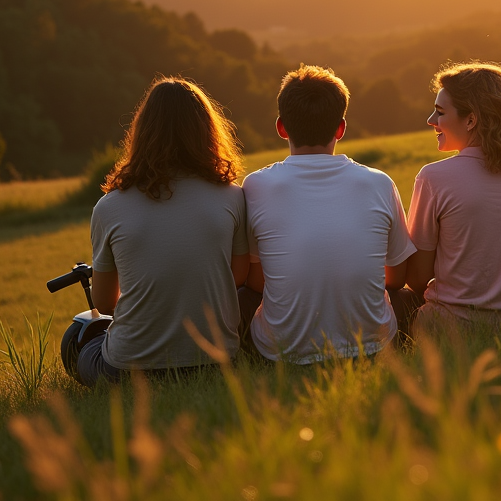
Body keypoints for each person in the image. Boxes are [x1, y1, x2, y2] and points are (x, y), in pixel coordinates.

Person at [239, 65, 415, 363]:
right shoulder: (379, 183)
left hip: (279, 352)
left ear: (281, 128)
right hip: (372, 345)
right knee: (410, 299)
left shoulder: (256, 186)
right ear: (341, 128)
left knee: (241, 297)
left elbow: (257, 282)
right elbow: (397, 277)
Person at [80, 77, 249, 386]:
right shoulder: (232, 196)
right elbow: (237, 276)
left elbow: (104, 303)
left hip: (129, 370)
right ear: (207, 131)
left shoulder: (109, 207)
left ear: (142, 132)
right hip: (216, 361)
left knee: (80, 339)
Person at [404, 63, 501, 327]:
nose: (431, 120)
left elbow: (417, 278)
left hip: (452, 325)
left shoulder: (433, 178)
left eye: (440, 112)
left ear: (471, 120)